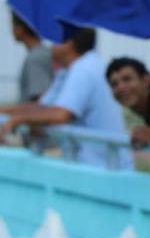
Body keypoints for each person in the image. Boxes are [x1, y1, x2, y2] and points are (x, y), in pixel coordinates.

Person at [0, 27, 132, 170]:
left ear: (68, 42)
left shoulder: (85, 68)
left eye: (54, 38)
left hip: (103, 168)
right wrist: (6, 112)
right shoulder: (68, 70)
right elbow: (41, 108)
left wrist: (17, 120)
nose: (49, 44)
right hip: (89, 165)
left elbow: (61, 114)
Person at [10, 11, 53, 102]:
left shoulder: (35, 58)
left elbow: (39, 98)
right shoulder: (41, 52)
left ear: (21, 28)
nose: (11, 30)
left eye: (13, 25)